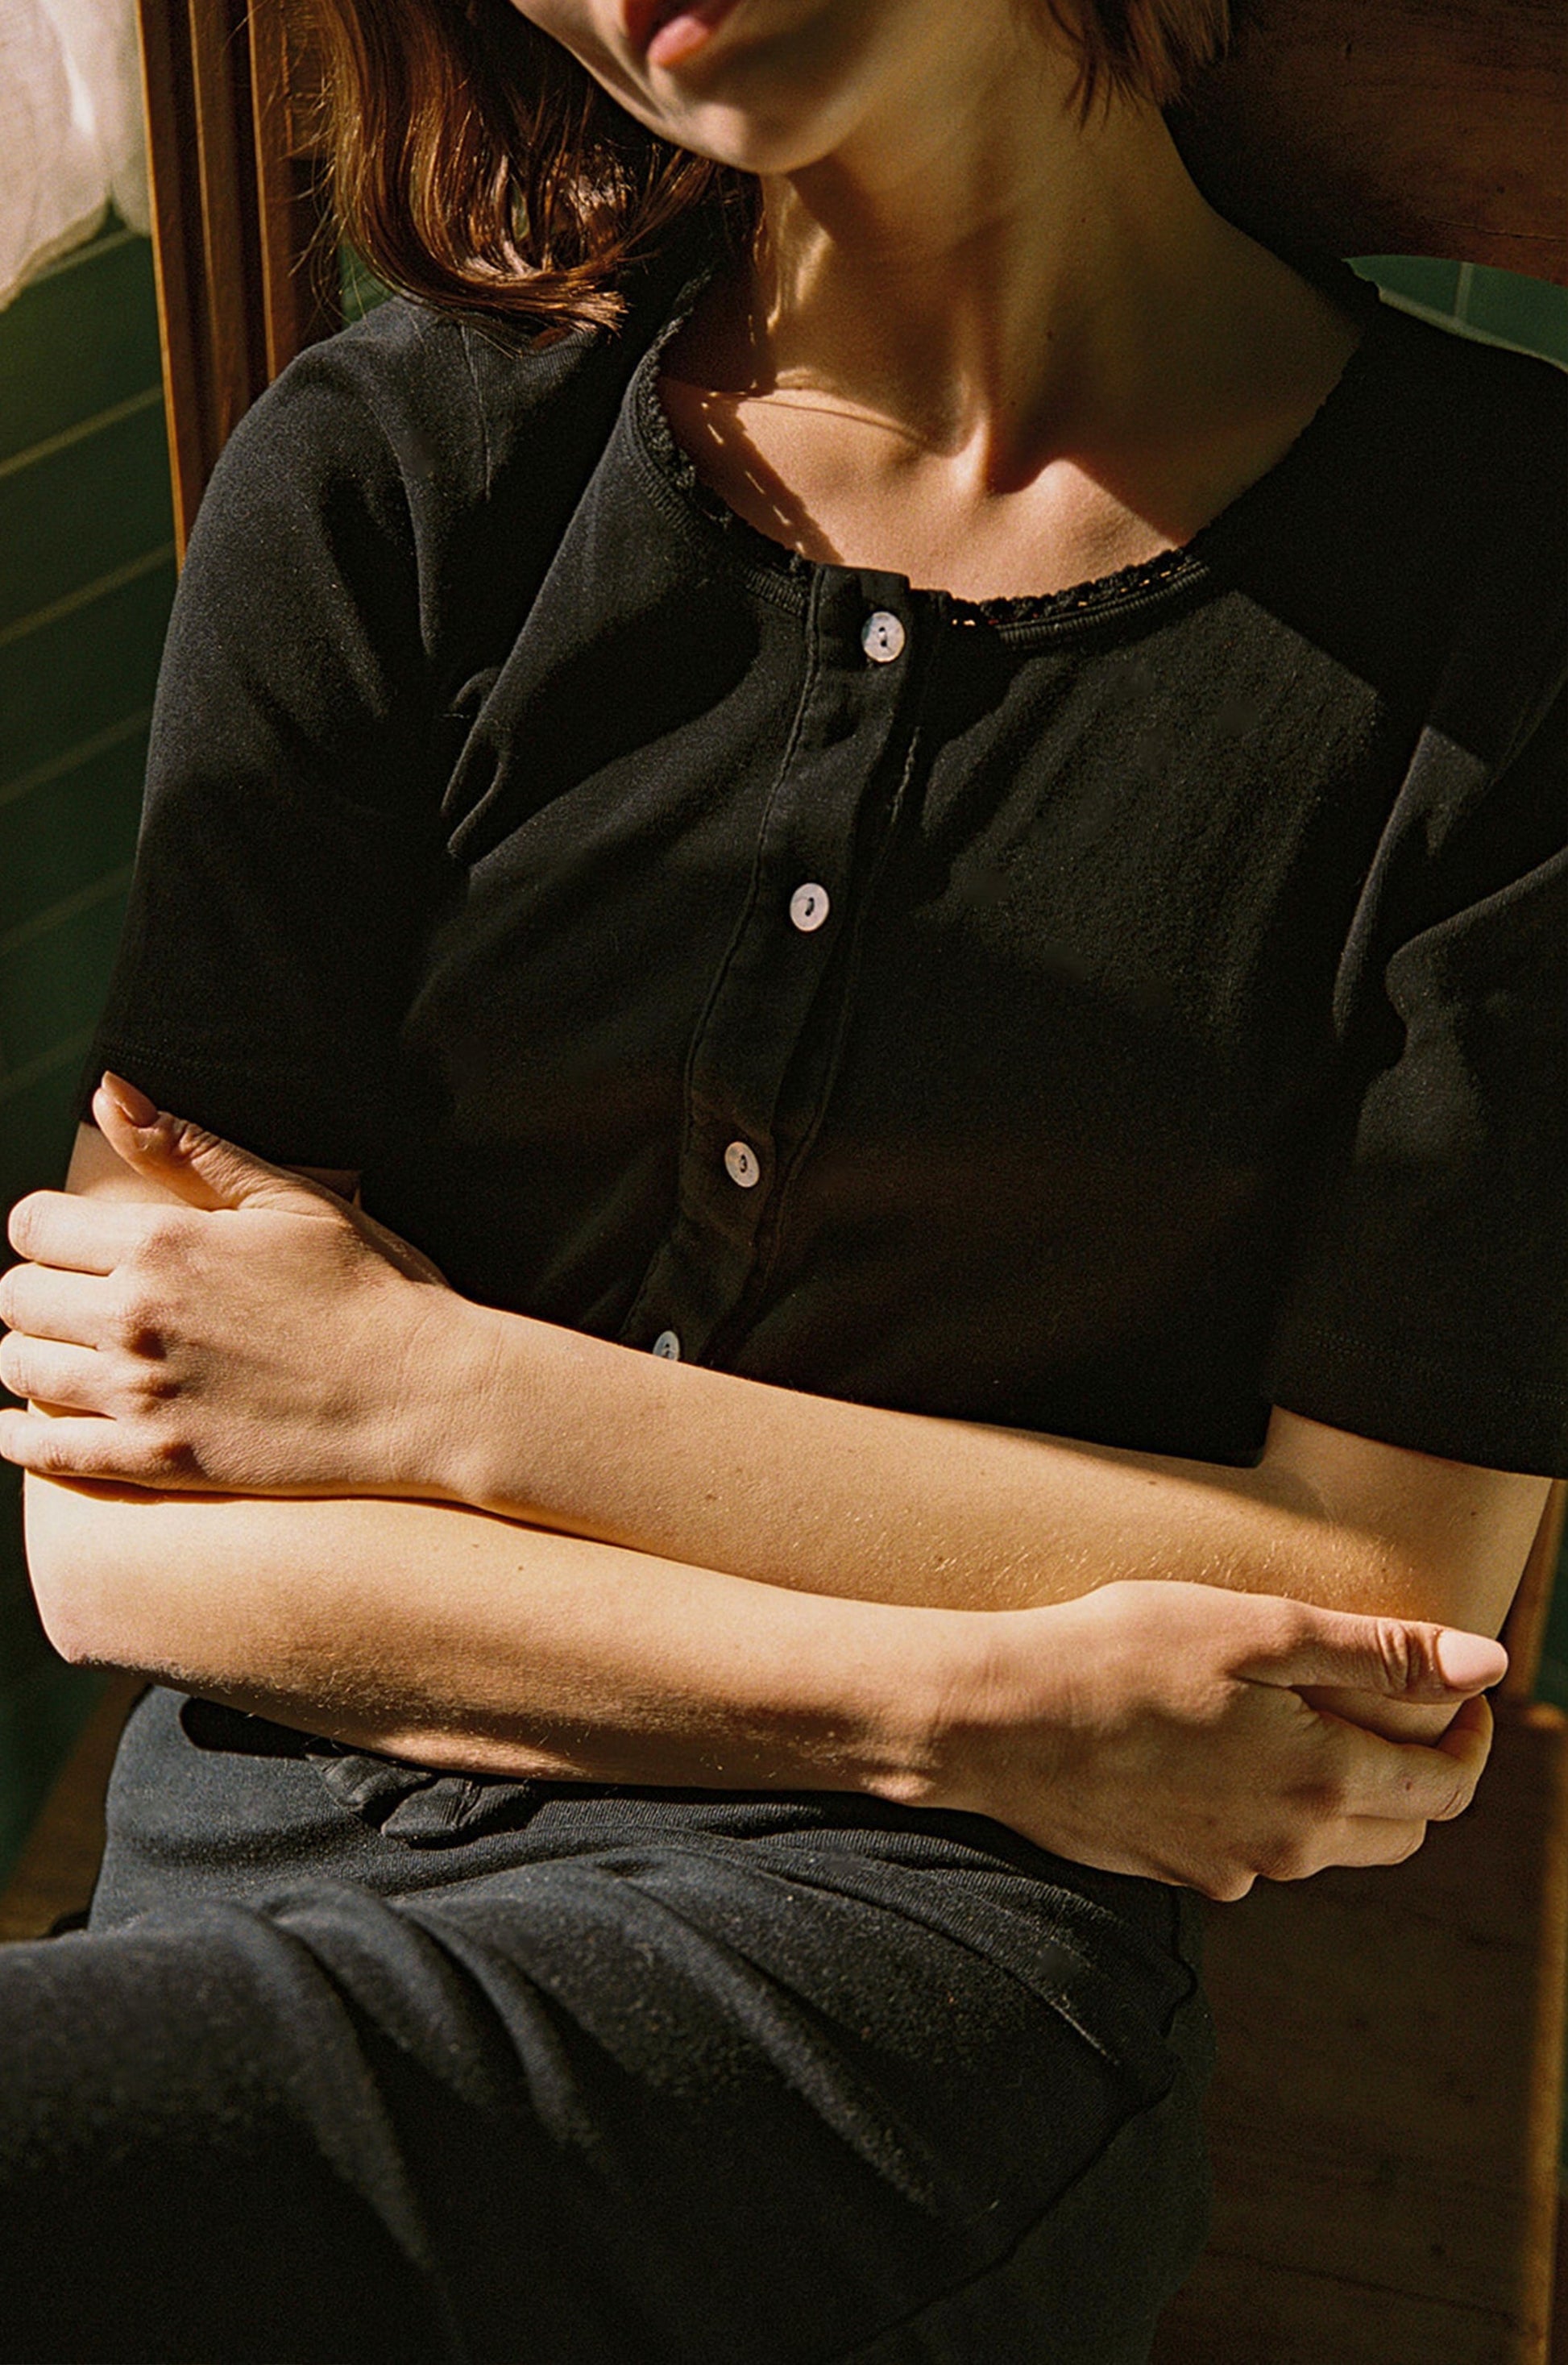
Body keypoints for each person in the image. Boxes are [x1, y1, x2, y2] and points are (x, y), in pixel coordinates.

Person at [0, 0, 1563, 2356]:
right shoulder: (402, 463)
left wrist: (428, 1395)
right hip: (255, 1874)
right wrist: (938, 1698)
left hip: (874, 1995)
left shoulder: (1511, 594)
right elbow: (120, 1535)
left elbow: (1368, 1604)